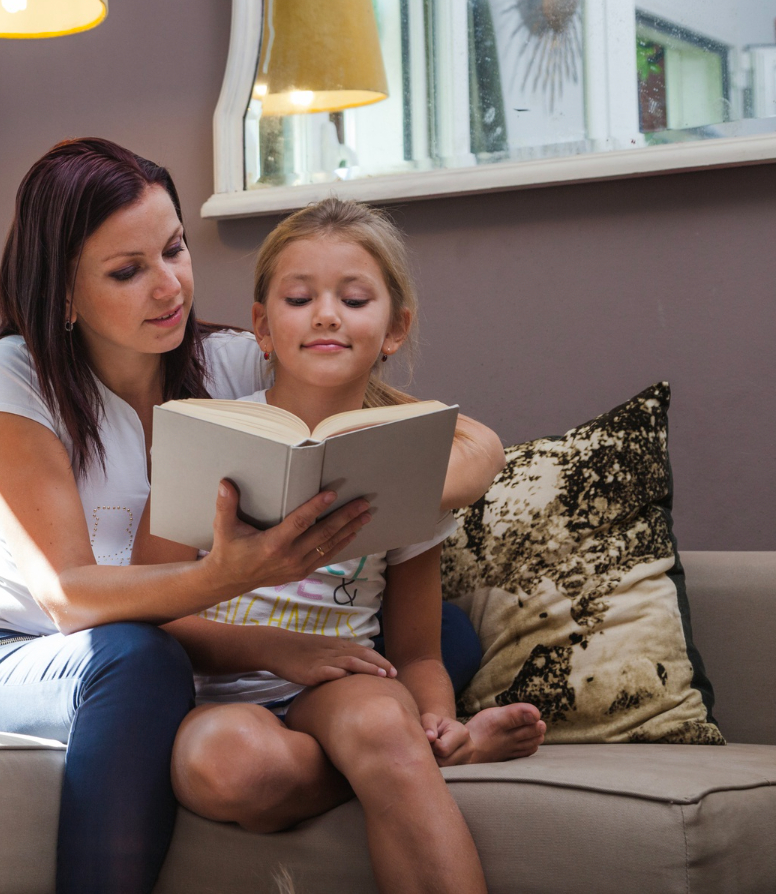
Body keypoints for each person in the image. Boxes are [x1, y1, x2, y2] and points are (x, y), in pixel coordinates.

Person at [0, 139, 507, 894]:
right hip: (23, 650)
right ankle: (400, 750)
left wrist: (423, 487)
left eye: (174, 251)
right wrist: (242, 597)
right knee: (138, 658)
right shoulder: (19, 373)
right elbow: (70, 596)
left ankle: (406, 744)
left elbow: (439, 427)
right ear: (63, 294)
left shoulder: (229, 360)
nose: (169, 289)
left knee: (440, 633)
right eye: (128, 272)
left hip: (199, 654)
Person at [144, 198, 545, 894]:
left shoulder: (413, 460)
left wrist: (438, 718)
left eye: (354, 299)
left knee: (383, 729)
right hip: (219, 692)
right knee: (230, 764)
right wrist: (278, 651)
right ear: (263, 327)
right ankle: (428, 759)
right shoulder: (204, 439)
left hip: (345, 690)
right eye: (300, 298)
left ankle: (416, 752)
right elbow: (152, 611)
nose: (327, 314)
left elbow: (416, 649)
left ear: (395, 328)